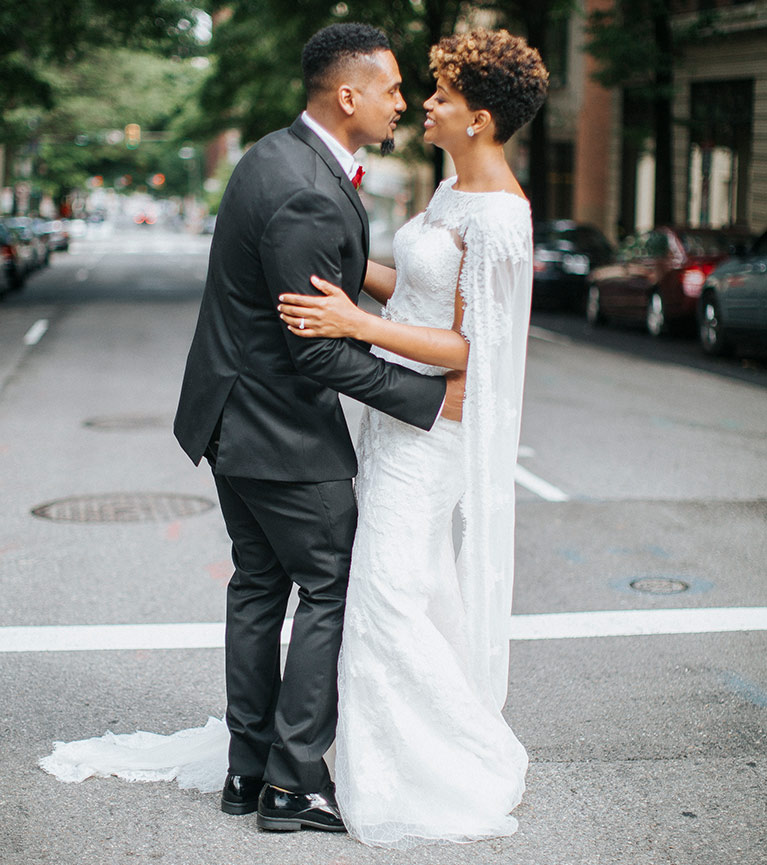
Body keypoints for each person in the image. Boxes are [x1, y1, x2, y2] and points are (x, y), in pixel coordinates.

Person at [39, 23, 462, 834]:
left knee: (260, 587)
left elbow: (321, 305)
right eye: (392, 89)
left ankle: (247, 767)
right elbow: (315, 352)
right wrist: (422, 394)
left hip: (233, 419)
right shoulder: (304, 186)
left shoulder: (275, 155)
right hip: (277, 429)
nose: (401, 102)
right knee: (334, 585)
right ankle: (292, 781)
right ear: (348, 95)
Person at [276, 28, 548, 847]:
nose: (424, 104)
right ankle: (374, 753)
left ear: (482, 120)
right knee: (411, 592)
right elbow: (423, 294)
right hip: (392, 424)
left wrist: (354, 323)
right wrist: (348, 272)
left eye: (442, 95)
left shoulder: (500, 215)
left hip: (432, 439)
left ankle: (436, 766)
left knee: (386, 598)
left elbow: (472, 348)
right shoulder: (452, 194)